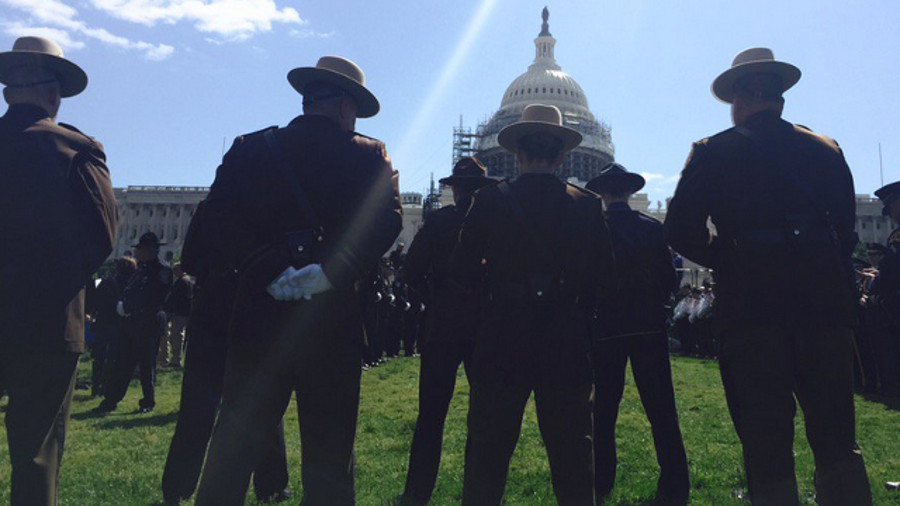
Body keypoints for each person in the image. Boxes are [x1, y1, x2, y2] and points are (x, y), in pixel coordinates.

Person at [664, 47, 872, 504]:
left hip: (753, 308)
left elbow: (679, 229)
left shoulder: (713, 151)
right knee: (836, 434)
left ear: (738, 100)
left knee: (766, 438)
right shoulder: (827, 149)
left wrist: (731, 255)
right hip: (822, 304)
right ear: (779, 99)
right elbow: (845, 230)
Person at [193, 56, 402, 506]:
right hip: (331, 323)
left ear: (308, 101)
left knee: (232, 450)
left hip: (257, 317)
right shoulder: (369, 155)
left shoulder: (250, 148)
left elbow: (215, 221)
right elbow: (385, 222)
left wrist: (268, 269)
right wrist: (329, 271)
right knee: (329, 459)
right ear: (347, 107)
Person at [451, 104, 615, 505]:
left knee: (488, 448)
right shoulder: (588, 205)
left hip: (502, 333)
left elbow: (461, 272)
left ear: (517, 154)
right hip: (565, 336)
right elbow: (605, 279)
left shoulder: (489, 202)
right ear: (562, 156)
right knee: (573, 452)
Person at [0, 36, 117, 506]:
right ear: (54, 94)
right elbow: (102, 237)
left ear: (8, 92)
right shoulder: (74, 150)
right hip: (46, 319)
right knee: (36, 449)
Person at [161, 202, 290, 506]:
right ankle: (271, 484)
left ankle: (177, 486)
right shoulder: (275, 205)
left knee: (196, 407)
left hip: (212, 311)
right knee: (262, 404)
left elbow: (190, 259)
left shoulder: (213, 208)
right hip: (256, 310)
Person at [586, 163, 690, 504]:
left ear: (602, 193)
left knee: (603, 410)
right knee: (662, 409)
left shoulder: (594, 228)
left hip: (606, 328)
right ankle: (675, 484)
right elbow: (669, 280)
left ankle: (601, 482)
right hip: (648, 327)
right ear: (629, 193)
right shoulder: (650, 227)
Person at [395, 157, 496, 506]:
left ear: (454, 188)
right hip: (483, 326)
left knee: (431, 416)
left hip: (442, 325)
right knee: (483, 417)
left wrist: (434, 297)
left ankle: (416, 493)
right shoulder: (495, 226)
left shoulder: (438, 222)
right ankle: (480, 495)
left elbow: (410, 273)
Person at [97, 232, 173, 413]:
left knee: (146, 364)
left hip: (149, 320)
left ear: (149, 250)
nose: (137, 253)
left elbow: (153, 296)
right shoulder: (143, 268)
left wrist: (129, 306)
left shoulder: (161, 270)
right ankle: (111, 399)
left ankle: (148, 400)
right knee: (124, 362)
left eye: (140, 249)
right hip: (133, 322)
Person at [89, 256, 138, 397]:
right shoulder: (132, 283)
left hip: (103, 322)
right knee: (114, 358)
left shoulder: (107, 282)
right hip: (121, 324)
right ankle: (107, 387)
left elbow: (95, 301)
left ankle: (96, 387)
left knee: (99, 357)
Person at [160, 262, 193, 368]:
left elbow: (174, 298)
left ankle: (175, 359)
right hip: (187, 312)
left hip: (179, 313)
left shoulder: (181, 282)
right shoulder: (190, 280)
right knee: (179, 335)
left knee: (175, 336)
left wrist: (168, 308)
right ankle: (176, 359)